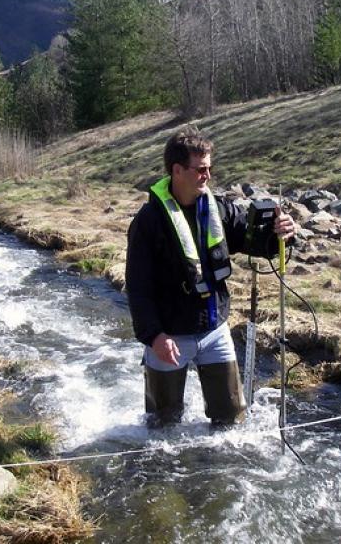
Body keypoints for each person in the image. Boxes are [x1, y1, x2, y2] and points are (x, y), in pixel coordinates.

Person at [125, 127, 295, 427]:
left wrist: (280, 235)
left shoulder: (218, 208)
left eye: (210, 168)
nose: (208, 176)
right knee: (162, 426)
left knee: (231, 420)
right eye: (201, 169)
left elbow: (254, 242)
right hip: (168, 336)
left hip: (214, 330)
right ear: (177, 170)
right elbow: (138, 287)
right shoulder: (148, 221)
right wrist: (154, 336)